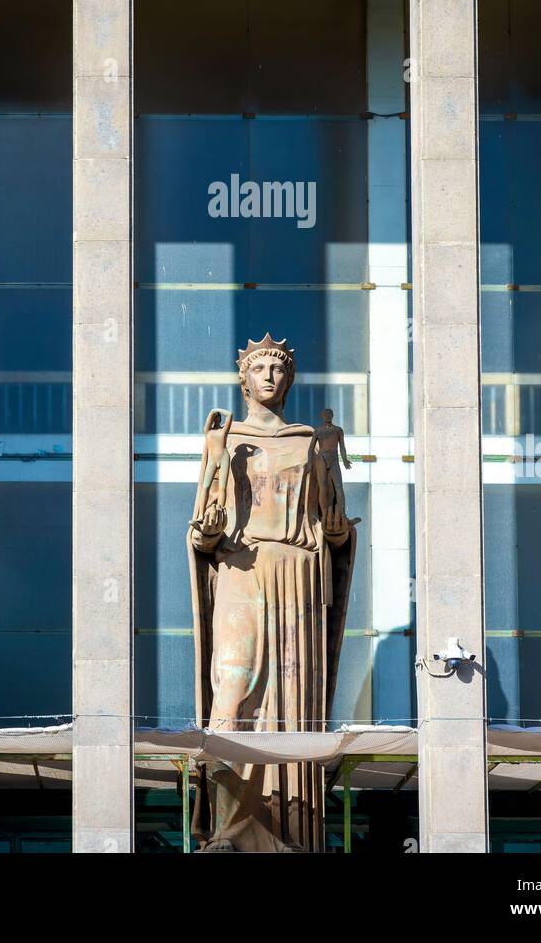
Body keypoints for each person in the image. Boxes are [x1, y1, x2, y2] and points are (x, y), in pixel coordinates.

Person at [188, 334, 356, 852]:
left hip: (299, 575)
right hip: (242, 567)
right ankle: (229, 827)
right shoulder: (223, 439)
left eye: (279, 370)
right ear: (244, 379)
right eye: (260, 368)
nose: (269, 377)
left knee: (291, 701)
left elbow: (334, 528)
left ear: (289, 380)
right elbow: (201, 530)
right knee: (232, 693)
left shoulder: (310, 442)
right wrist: (209, 532)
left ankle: (291, 830)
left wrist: (336, 529)